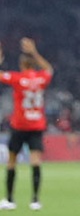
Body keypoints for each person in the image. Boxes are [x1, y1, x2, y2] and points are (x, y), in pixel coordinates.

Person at [0, 38, 53, 212]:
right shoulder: (40, 79)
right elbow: (49, 69)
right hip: (36, 126)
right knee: (36, 162)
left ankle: (9, 199)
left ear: (22, 65)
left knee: (12, 161)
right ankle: (35, 200)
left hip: (19, 126)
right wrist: (35, 52)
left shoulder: (18, 79)